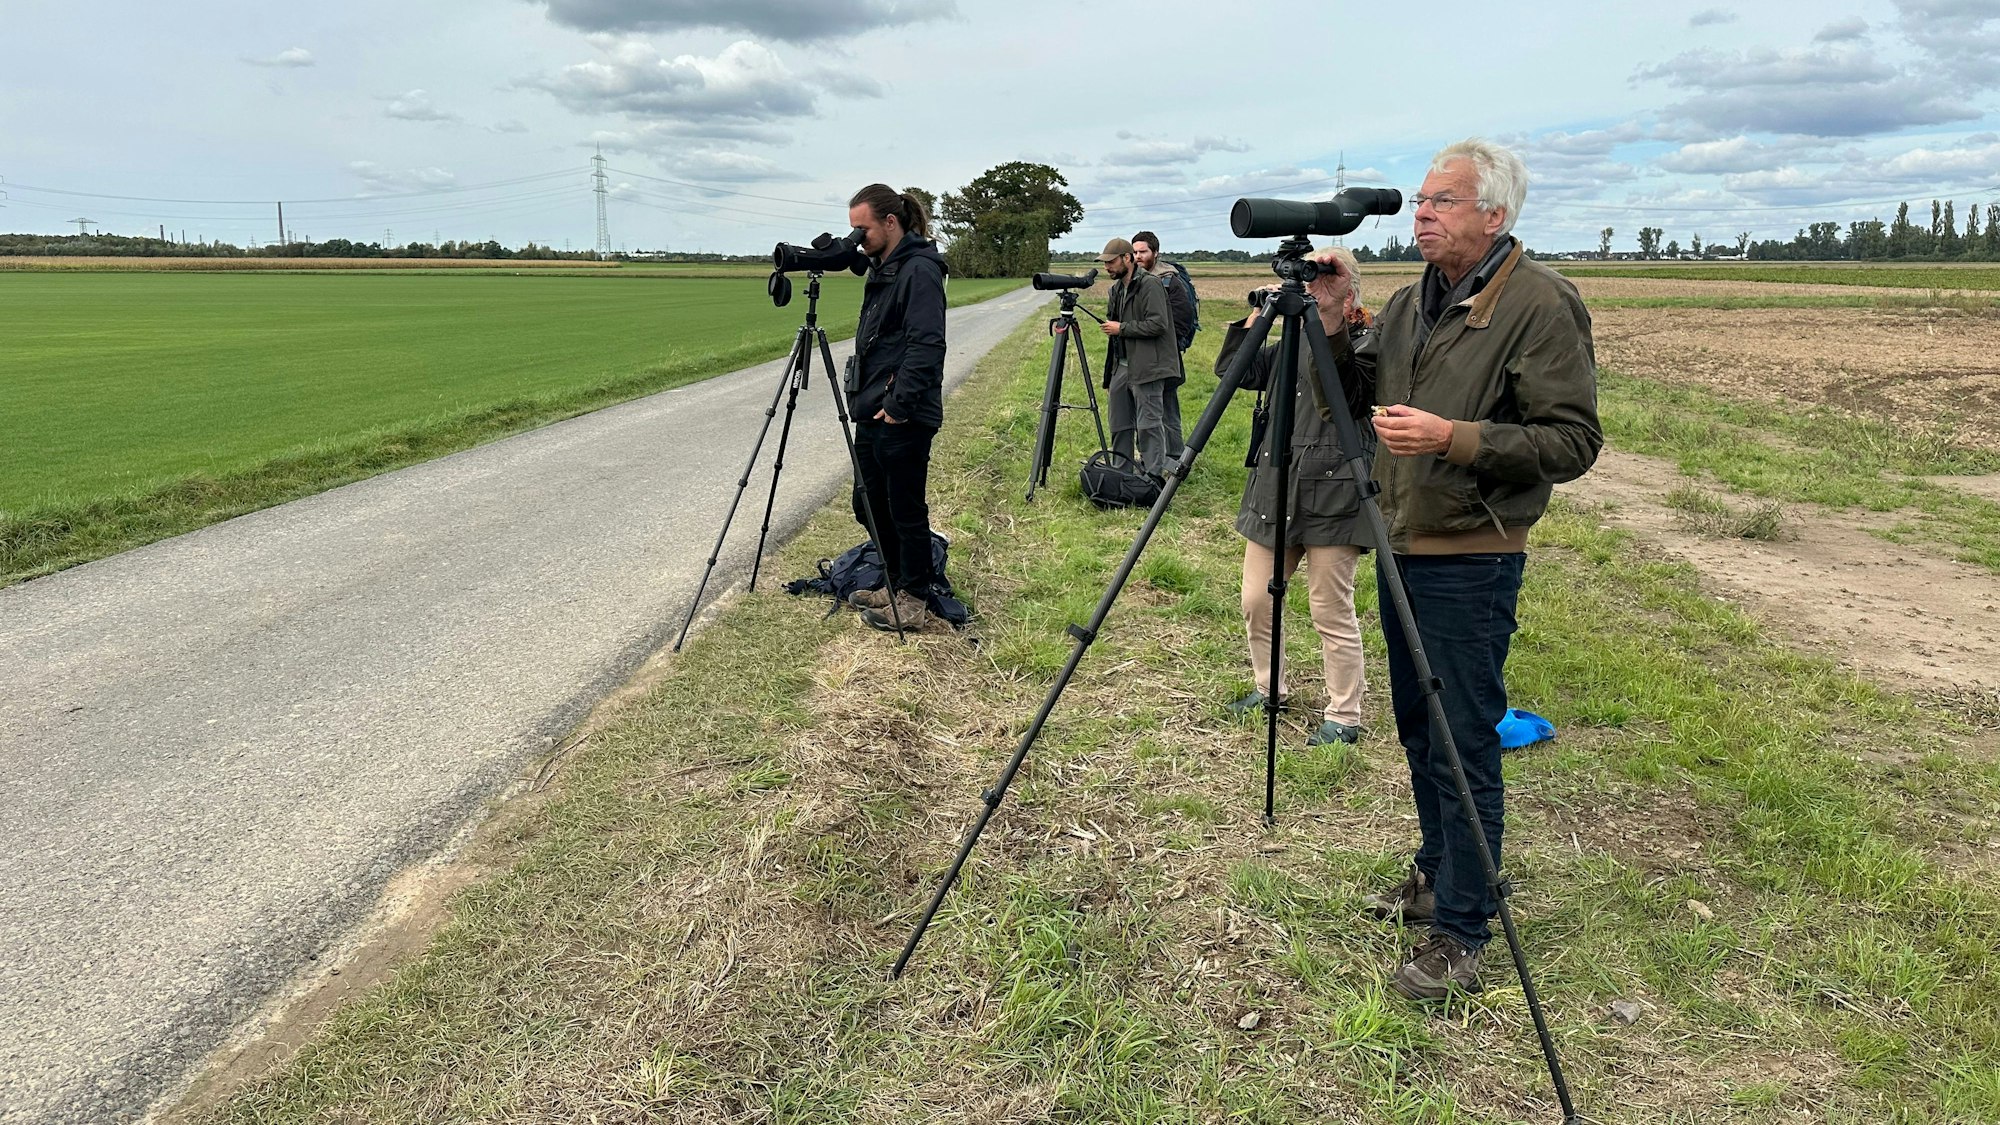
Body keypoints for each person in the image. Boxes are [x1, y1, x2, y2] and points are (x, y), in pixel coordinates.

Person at [1314, 139, 1602, 999]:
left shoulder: (1541, 304)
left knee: (1462, 736)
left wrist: (1454, 438)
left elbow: (1574, 441)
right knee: (1416, 726)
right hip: (1404, 540)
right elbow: (1352, 389)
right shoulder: (1412, 302)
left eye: (1443, 200)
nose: (1422, 212)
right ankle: (1440, 875)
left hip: (1473, 554)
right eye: (1422, 200)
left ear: (1494, 216)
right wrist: (1333, 317)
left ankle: (1465, 930)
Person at [1215, 248, 1375, 748]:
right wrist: (1259, 315)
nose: (1311, 291)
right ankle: (1269, 688)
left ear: (1349, 290)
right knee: (1256, 601)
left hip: (1334, 487)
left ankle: (1344, 714)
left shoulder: (1368, 339)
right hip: (1275, 483)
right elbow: (1234, 371)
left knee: (1330, 608)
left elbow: (1355, 393)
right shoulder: (1288, 339)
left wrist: (1326, 322)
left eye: (1323, 281)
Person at [841, 183, 950, 632]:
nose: (857, 239)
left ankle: (916, 596)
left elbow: (927, 343)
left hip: (902, 411)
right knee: (867, 502)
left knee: (904, 507)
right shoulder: (883, 267)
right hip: (873, 406)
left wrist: (900, 404)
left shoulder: (919, 270)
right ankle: (896, 579)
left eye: (862, 229)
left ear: (891, 222)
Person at [1097, 237, 1179, 477]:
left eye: (1111, 262)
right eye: (1105, 263)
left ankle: (1152, 478)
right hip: (1121, 366)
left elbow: (1158, 324)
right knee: (1119, 423)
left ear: (1126, 258)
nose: (1107, 267)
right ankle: (1122, 472)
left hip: (1148, 367)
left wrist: (1121, 328)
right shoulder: (1116, 289)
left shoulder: (1150, 285)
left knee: (1149, 425)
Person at [1132, 231, 1192, 459]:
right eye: (1135, 252)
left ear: (1155, 253)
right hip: (1142, 357)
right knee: (1152, 407)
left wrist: (1164, 347)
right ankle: (1160, 456)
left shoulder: (1168, 280)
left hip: (1164, 358)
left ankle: (1172, 458)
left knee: (1164, 408)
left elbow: (1182, 320)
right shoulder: (1134, 279)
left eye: (1143, 251)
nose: (1138, 256)